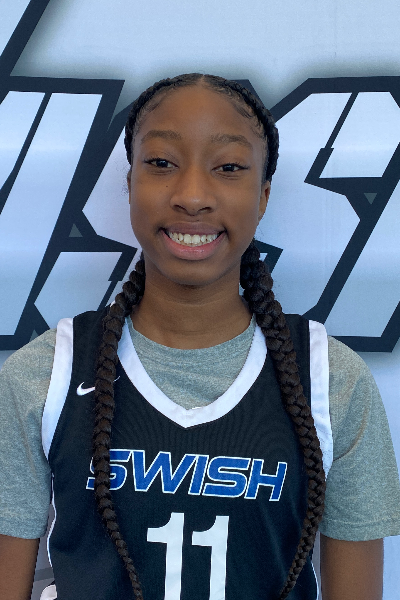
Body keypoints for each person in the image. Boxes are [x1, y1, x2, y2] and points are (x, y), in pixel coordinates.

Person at [0, 73, 399, 600]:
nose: (192, 196)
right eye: (162, 163)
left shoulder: (332, 381)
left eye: (228, 167)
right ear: (130, 183)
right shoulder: (44, 375)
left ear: (263, 195)